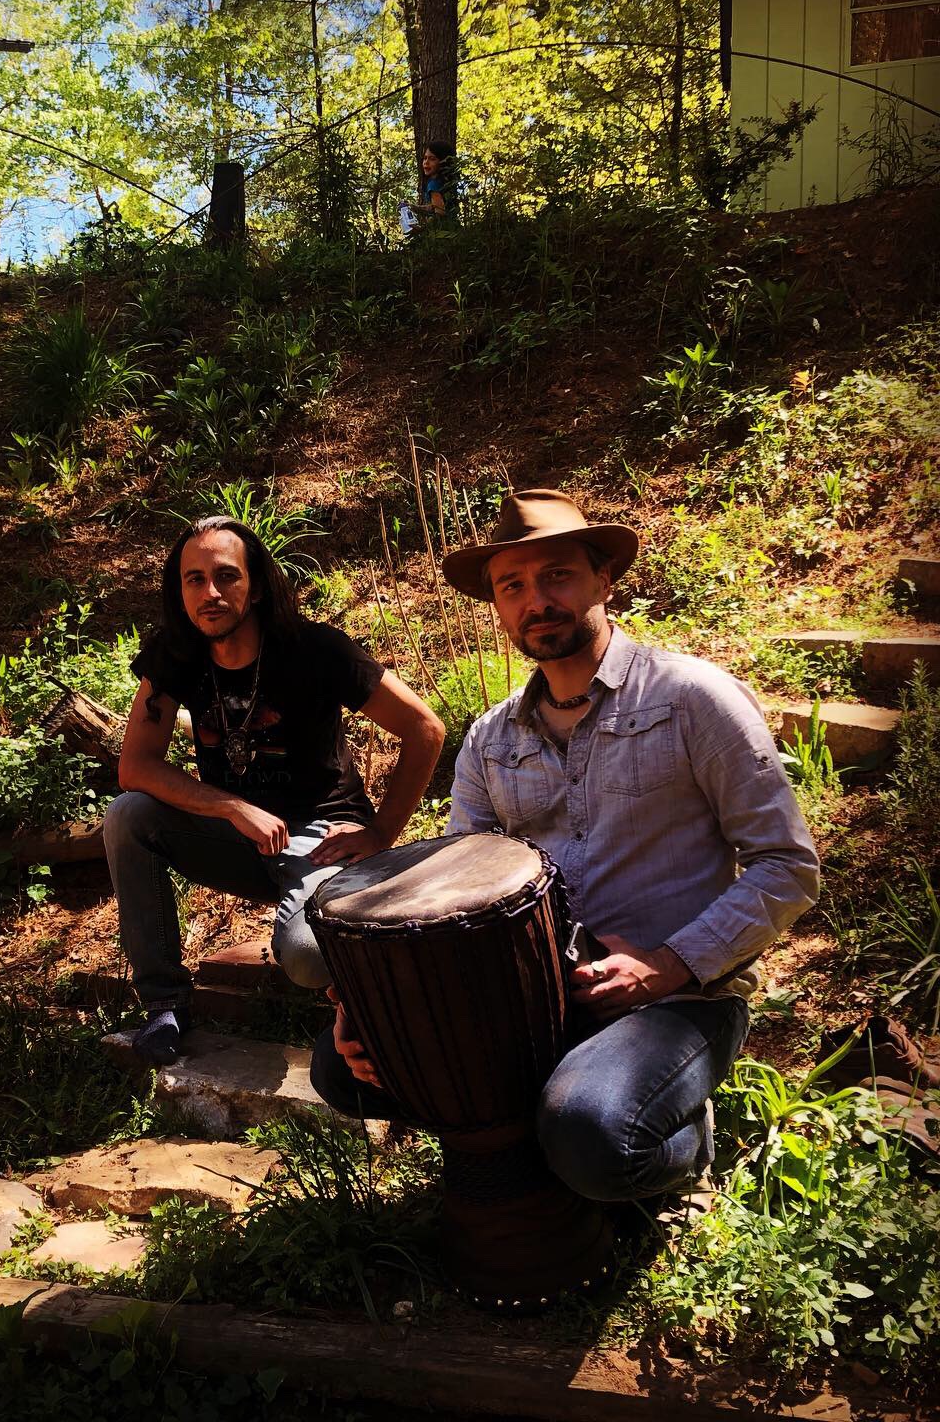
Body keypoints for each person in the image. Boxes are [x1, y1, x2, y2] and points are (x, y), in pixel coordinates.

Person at [312, 489, 820, 1204]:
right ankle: (549, 1111)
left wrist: (668, 965)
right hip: (536, 990)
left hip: (680, 998)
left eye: (557, 576)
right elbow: (449, 889)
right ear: (497, 606)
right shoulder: (491, 738)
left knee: (592, 1138)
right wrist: (367, 999)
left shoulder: (692, 700)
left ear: (603, 580)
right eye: (512, 586)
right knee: (344, 1070)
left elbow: (787, 867)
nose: (537, 601)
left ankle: (684, 1140)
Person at [105, 515, 446, 1065]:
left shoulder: (314, 649)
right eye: (194, 580)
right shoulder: (176, 655)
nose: (210, 593)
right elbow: (136, 767)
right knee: (129, 814)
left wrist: (382, 831)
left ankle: (366, 978)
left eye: (226, 576)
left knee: (308, 958)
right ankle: (165, 1003)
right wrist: (232, 807)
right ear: (181, 592)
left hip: (321, 839)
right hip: (235, 836)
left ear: (256, 586)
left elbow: (424, 728)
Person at [400, 140, 456, 236]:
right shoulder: (445, 182)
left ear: (442, 161)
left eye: (432, 159)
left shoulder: (433, 185)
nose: (426, 162)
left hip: (442, 233)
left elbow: (440, 212)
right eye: (425, 158)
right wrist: (414, 207)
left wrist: (423, 229)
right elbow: (434, 206)